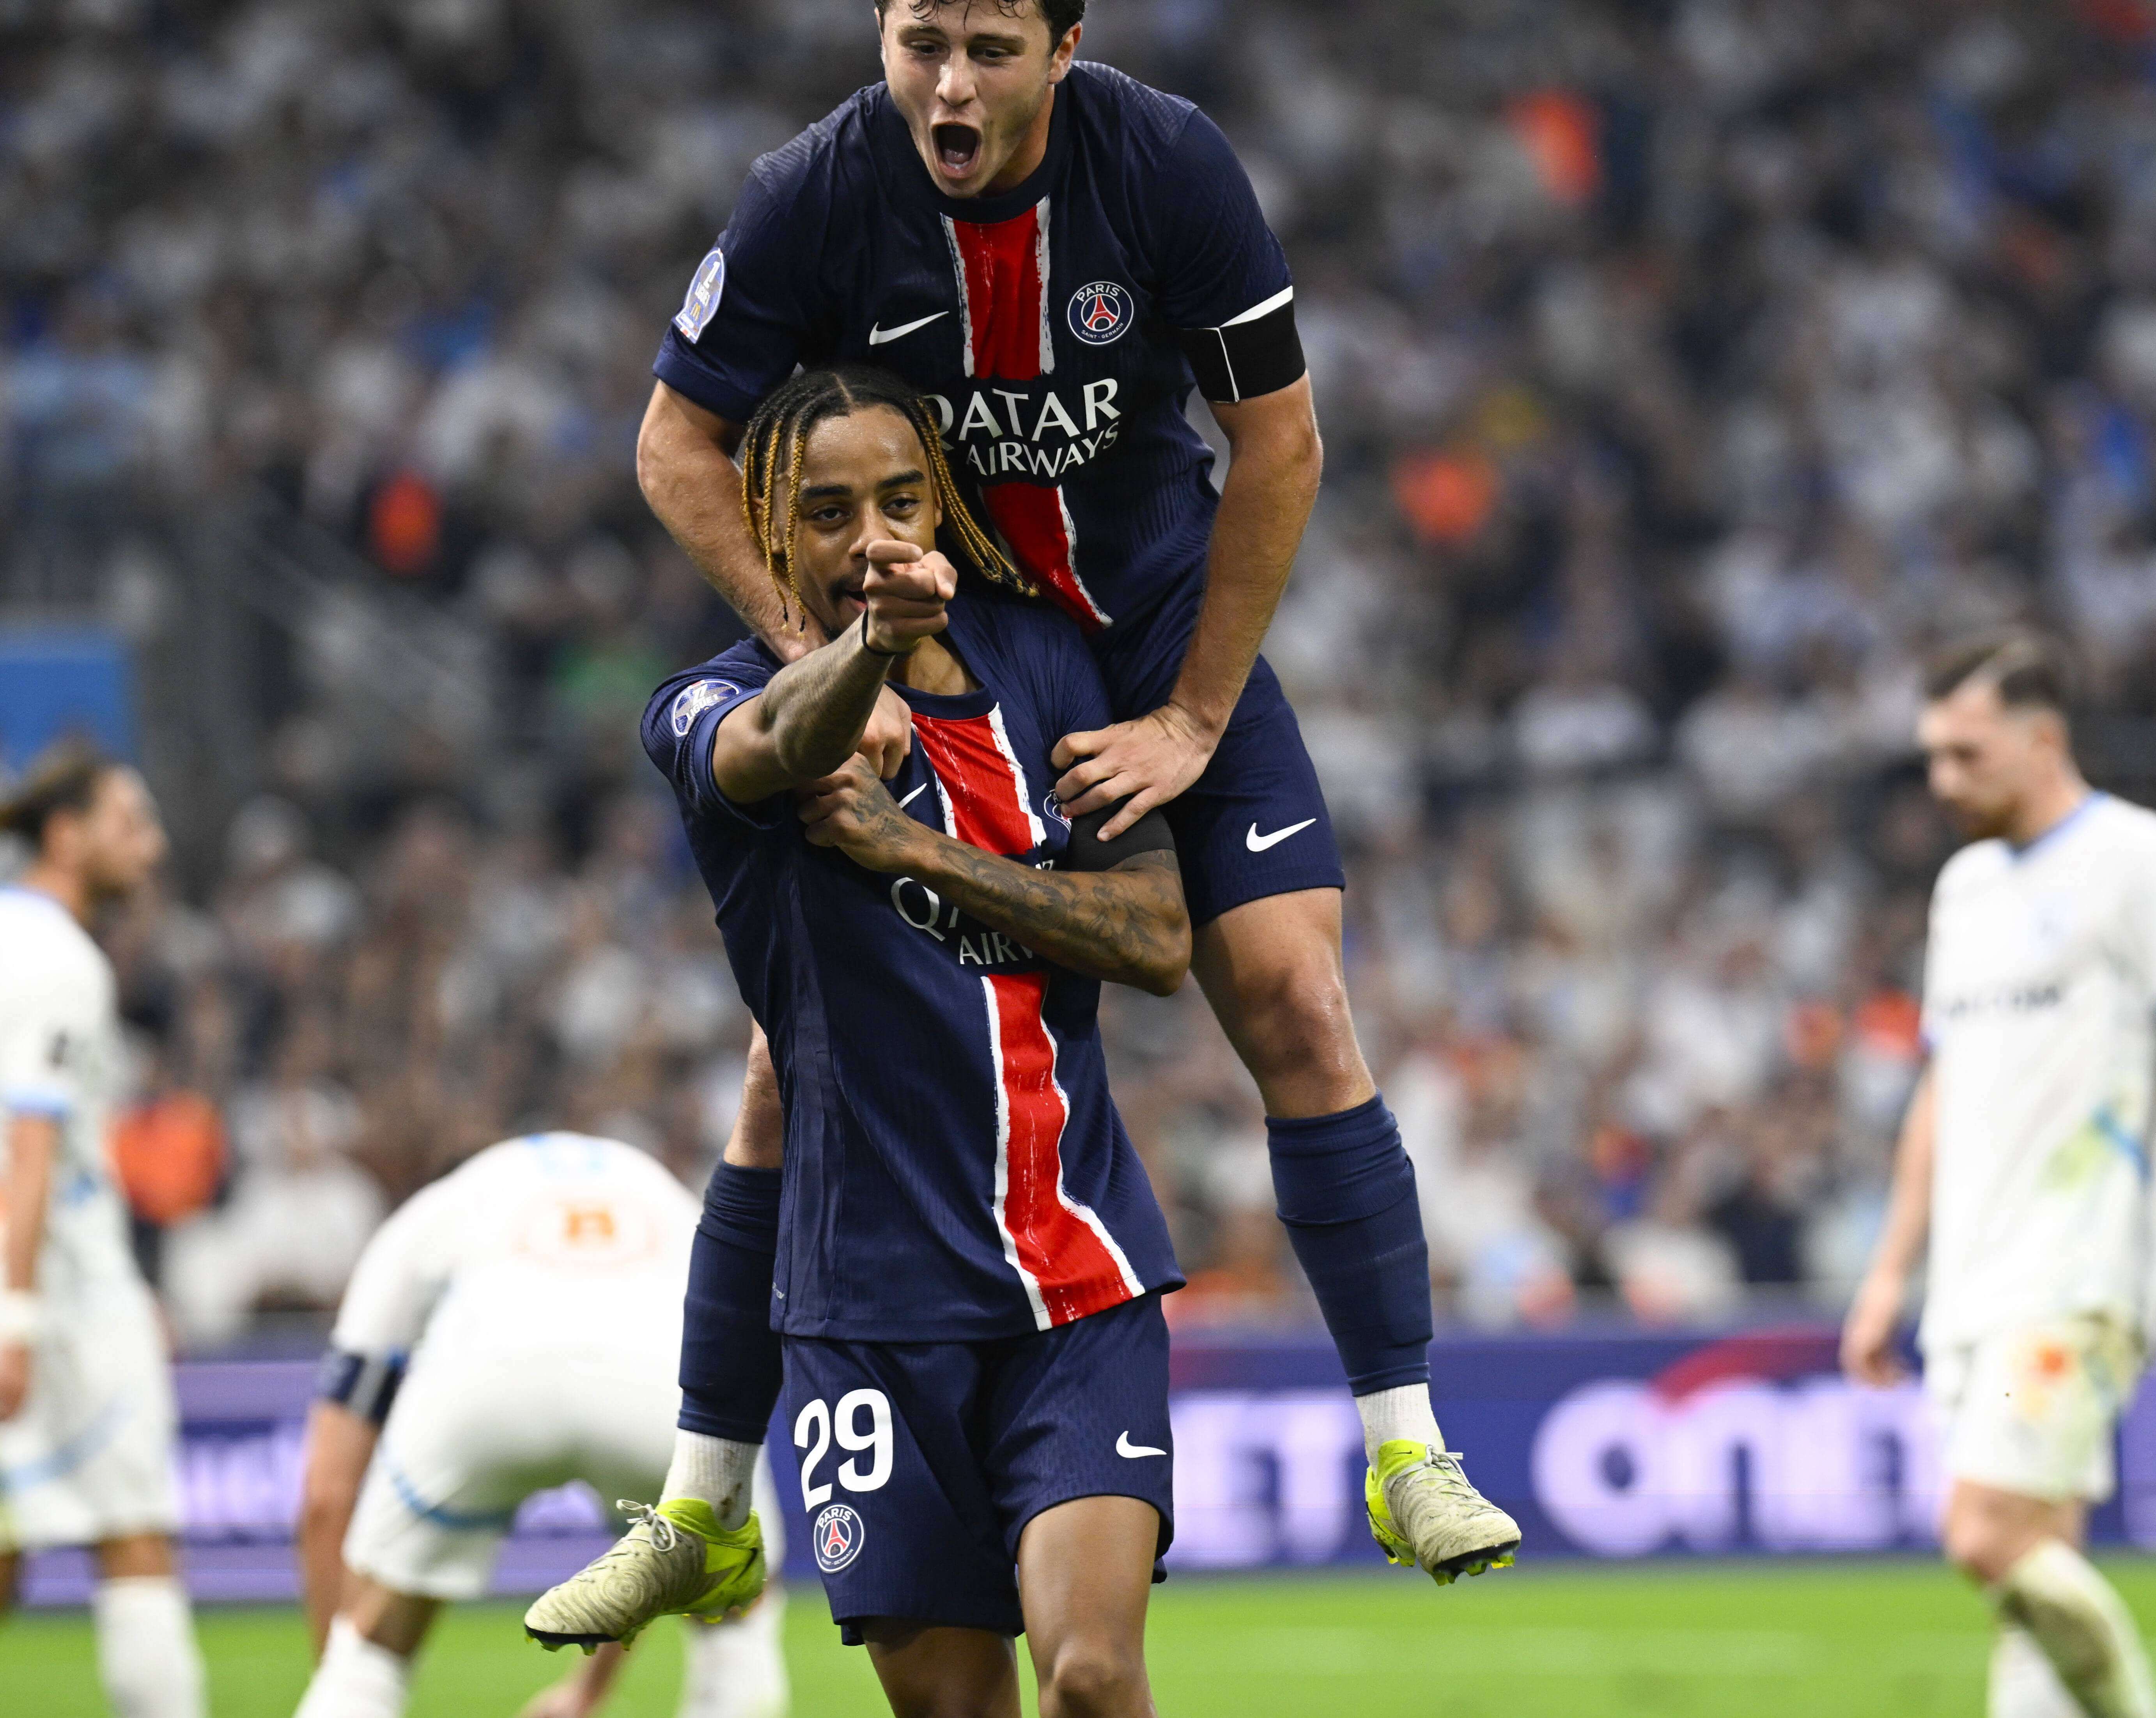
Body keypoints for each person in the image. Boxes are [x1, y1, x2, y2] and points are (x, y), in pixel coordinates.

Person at [635, 0, 1515, 1575]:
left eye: (985, 44)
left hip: (1157, 624)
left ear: (1064, 43)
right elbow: (673, 444)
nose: (947, 82)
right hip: (948, 633)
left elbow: (1280, 441)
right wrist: (804, 653)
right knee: (790, 1062)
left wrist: (1190, 714)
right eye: (917, 41)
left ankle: (1408, 1450)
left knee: (1294, 997)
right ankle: (698, 1503)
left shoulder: (1162, 164)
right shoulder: (813, 191)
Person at [533, 364, 1195, 1716]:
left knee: (1088, 1670)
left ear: (941, 503)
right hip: (864, 1311)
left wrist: (909, 847)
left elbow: (1159, 937)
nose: (873, 536)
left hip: (1074, 1271)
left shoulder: (1046, 664)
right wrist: (870, 657)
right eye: (829, 511)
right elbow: (779, 738)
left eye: (901, 499)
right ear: (772, 533)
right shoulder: (696, 705)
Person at [1840, 632, 2156, 1718]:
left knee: (1981, 1532)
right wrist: (1891, 1268)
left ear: (2043, 738)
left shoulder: (2137, 858)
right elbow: (1941, 1088)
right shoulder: (1964, 888)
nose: (1942, 781)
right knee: (2033, 1567)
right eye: (1932, 755)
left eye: (1966, 754)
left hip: (2074, 1270)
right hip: (1973, 1280)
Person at [291, 1128, 789, 1718]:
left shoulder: (436, 1209)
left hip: (480, 1380)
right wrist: (589, 1692)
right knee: (735, 1629)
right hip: (660, 1385)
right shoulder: (659, 1188)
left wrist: (340, 1667)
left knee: (371, 1654)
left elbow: (326, 1493)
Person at [0, 742, 207, 1718]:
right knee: (134, 1538)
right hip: (57, 1298)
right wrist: (18, 1317)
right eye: (132, 823)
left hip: (41, 1282)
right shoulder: (57, 957)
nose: (154, 847)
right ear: (67, 833)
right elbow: (27, 1147)